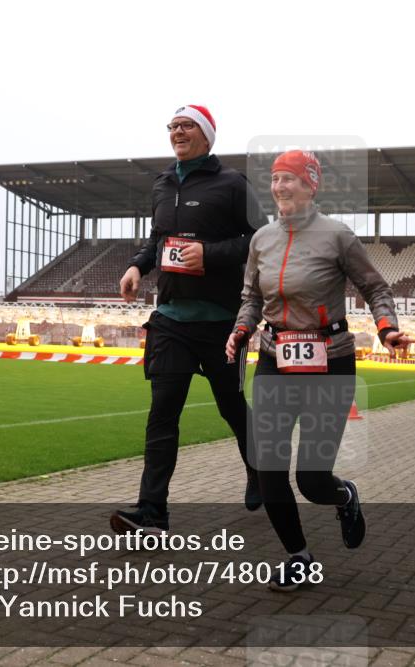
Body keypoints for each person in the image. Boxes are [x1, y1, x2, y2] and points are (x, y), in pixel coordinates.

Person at [226, 150, 411, 592]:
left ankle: (343, 495)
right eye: (275, 179)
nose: (279, 187)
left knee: (310, 479)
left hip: (330, 362)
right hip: (274, 359)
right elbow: (252, 298)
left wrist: (387, 328)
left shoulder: (337, 236)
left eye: (289, 179)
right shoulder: (261, 240)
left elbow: (375, 287)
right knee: (268, 465)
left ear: (311, 185)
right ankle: (299, 557)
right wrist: (241, 329)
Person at [111, 104, 267, 535]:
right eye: (173, 126)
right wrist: (137, 266)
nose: (177, 132)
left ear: (206, 134)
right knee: (163, 413)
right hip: (170, 319)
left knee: (232, 406)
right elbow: (157, 239)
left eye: (187, 126)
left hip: (222, 322)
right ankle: (152, 512)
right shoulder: (162, 183)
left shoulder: (232, 183)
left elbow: (260, 238)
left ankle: (259, 470)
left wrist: (209, 254)